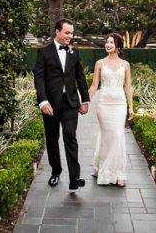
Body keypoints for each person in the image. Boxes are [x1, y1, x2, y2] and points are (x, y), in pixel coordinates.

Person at [33, 18, 90, 192]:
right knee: (52, 139)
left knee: (70, 136)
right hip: (50, 104)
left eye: (72, 33)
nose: (70, 36)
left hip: (71, 103)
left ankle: (75, 178)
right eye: (67, 32)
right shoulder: (43, 52)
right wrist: (43, 101)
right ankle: (56, 171)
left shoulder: (74, 52)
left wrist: (85, 100)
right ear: (57, 32)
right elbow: (39, 78)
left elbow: (80, 77)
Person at [88, 32, 134, 187]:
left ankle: (118, 172)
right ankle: (105, 169)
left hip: (120, 104)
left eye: (111, 42)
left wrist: (131, 107)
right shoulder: (100, 63)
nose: (107, 45)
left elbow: (128, 87)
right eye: (106, 42)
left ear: (118, 46)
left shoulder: (125, 64)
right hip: (103, 104)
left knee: (118, 135)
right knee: (108, 136)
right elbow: (95, 85)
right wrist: (85, 101)